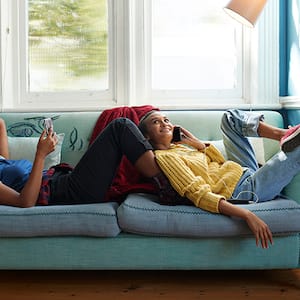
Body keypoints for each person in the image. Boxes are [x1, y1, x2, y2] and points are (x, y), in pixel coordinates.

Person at [138, 109, 300, 249]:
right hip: (244, 191)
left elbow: (220, 163)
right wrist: (247, 215)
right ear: (146, 136)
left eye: (166, 120)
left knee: (230, 118)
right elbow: (198, 194)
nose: (164, 123)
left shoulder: (180, 148)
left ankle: (284, 135)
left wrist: (198, 145)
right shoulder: (165, 158)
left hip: (243, 173)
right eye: (156, 122)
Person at [0, 117, 162, 207]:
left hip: (64, 180)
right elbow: (25, 202)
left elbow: (0, 123)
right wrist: (41, 155)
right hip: (66, 193)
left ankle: (167, 162)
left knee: (122, 128)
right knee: (120, 127)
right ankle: (163, 173)